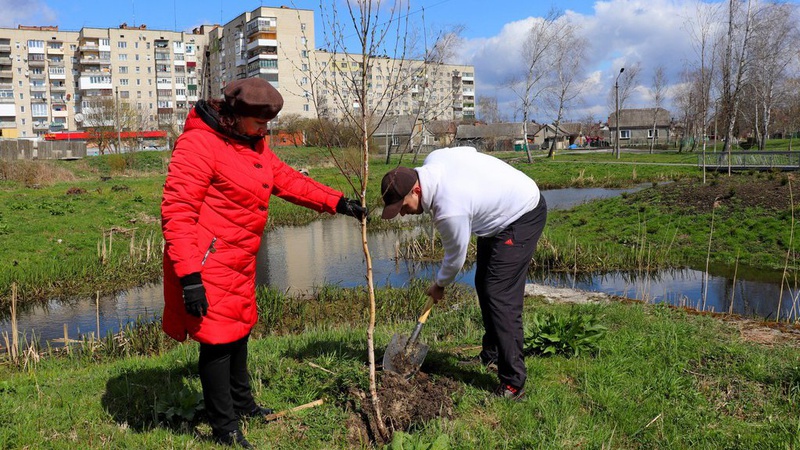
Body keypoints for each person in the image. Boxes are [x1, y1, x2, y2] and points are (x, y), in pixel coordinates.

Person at [161, 77, 365, 448]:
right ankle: (225, 429)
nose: (265, 130)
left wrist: (335, 202)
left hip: (239, 258)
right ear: (235, 116)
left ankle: (243, 406)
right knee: (217, 343)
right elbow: (178, 211)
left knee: (239, 332)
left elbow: (284, 179)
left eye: (268, 124)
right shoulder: (198, 144)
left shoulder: (253, 142)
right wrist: (189, 276)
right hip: (207, 261)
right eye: (259, 123)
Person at [380, 146, 546, 401]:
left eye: (402, 207)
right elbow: (469, 149)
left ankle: (514, 384)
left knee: (500, 295)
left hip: (522, 213)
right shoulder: (432, 161)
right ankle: (490, 356)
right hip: (495, 217)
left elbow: (456, 259)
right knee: (484, 283)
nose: (403, 213)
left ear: (416, 190)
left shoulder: (449, 209)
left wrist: (439, 285)